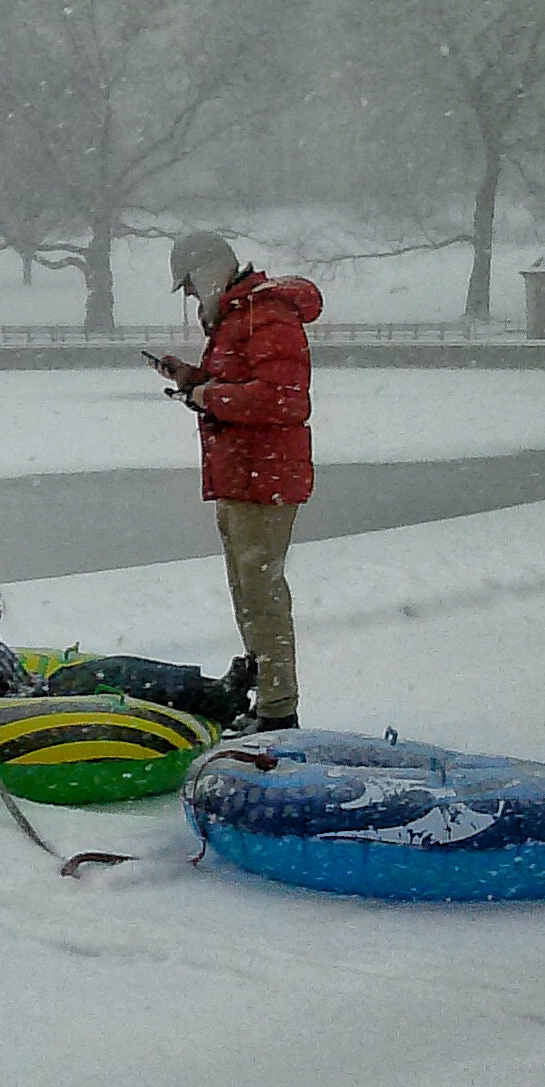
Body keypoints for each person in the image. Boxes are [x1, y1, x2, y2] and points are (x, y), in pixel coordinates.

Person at [154, 230, 323, 734]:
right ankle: (263, 697)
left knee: (262, 596)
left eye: (188, 284)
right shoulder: (236, 320)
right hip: (242, 477)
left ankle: (277, 711)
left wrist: (208, 396)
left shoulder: (266, 316)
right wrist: (193, 378)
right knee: (248, 593)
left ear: (209, 271)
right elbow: (240, 386)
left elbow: (284, 400)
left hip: (264, 479)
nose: (188, 295)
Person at [0, 570, 253, 723]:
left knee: (118, 666)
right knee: (112, 677)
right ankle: (217, 700)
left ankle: (210, 691)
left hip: (34, 691)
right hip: (23, 709)